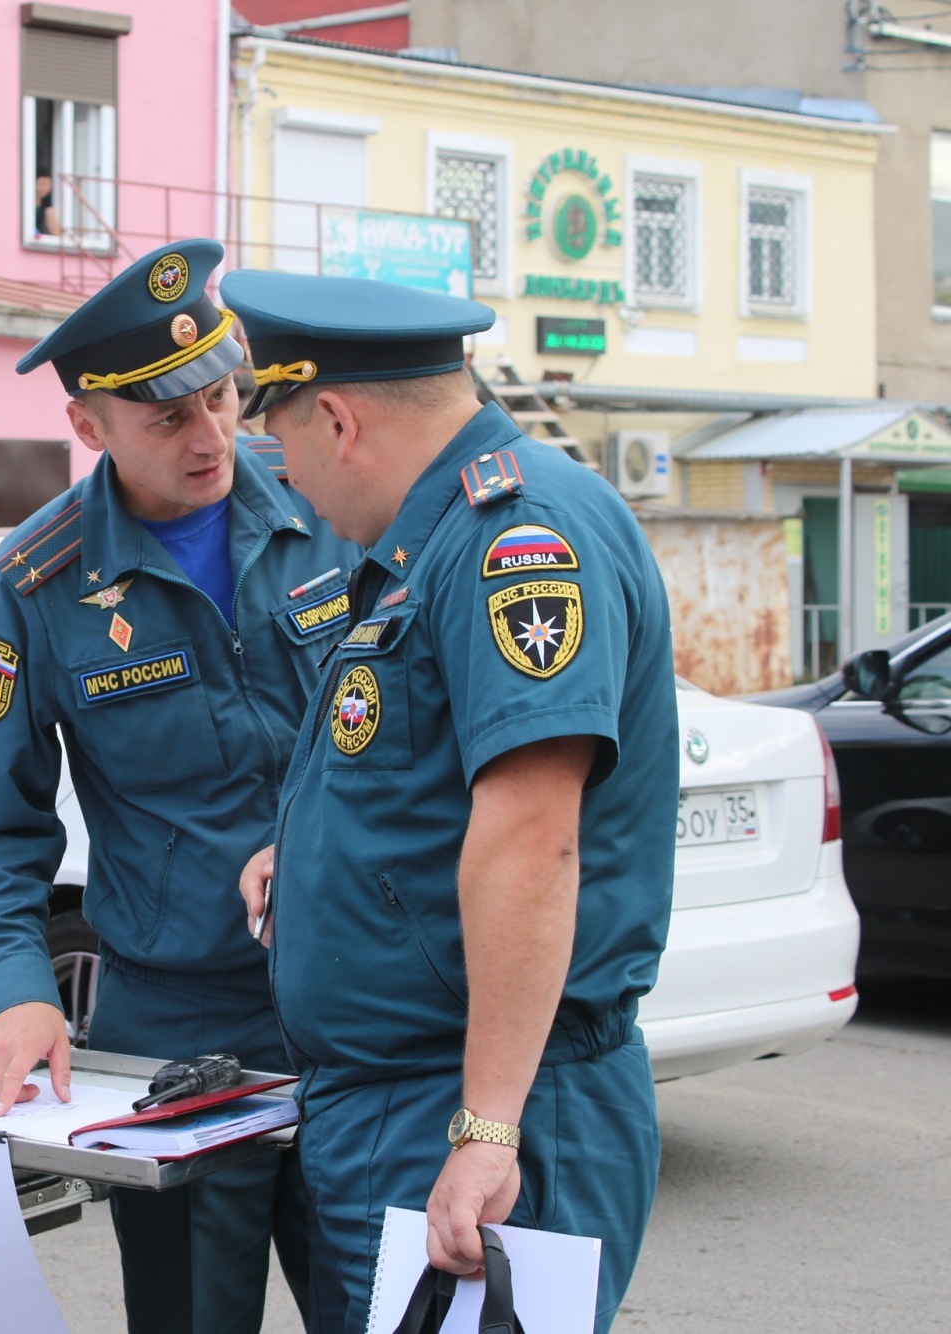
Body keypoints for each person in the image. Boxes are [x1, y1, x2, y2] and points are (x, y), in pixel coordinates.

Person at [220, 269, 678, 1334]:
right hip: (406, 1094)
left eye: (282, 449)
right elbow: (431, 785)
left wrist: (484, 1127)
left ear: (335, 418)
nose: (289, 487)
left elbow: (530, 836)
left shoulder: (510, 537)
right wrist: (319, 861)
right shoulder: (431, 544)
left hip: (467, 1099)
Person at [0, 240, 359, 1334]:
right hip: (175, 1035)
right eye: (167, 416)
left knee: (379, 1308)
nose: (210, 434)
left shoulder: (329, 508)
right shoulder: (39, 580)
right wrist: (20, 985)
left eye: (218, 394)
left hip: (358, 1006)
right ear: (89, 426)